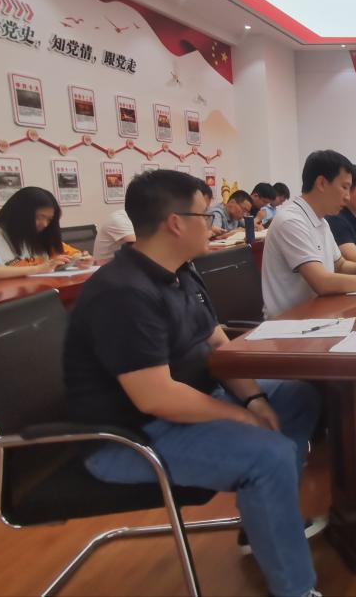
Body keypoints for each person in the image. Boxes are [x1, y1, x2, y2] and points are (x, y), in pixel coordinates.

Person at [63, 170, 325, 597]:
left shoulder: (180, 271)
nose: (214, 224)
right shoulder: (122, 293)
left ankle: (263, 519)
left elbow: (217, 341)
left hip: (191, 402)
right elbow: (156, 397)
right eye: (204, 215)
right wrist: (240, 417)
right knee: (270, 455)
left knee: (297, 397)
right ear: (176, 223)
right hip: (130, 437)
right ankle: (294, 589)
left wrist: (255, 400)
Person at [262, 150, 356, 318]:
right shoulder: (291, 221)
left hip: (320, 313)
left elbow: (340, 265)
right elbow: (322, 282)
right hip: (289, 324)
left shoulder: (321, 221)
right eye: (344, 187)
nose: (347, 197)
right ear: (322, 183)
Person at [0, 186, 92, 280]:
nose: (44, 224)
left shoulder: (41, 235)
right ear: (18, 213)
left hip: (42, 290)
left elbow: (69, 254)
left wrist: (81, 259)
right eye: (38, 217)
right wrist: (38, 269)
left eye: (49, 220)